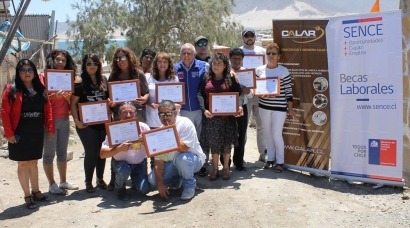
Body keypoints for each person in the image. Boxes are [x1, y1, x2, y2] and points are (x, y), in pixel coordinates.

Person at [1, 59, 54, 209]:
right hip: (20, 131)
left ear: (34, 72)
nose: (27, 73)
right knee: (23, 163)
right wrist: (9, 133)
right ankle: (27, 195)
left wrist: (50, 127)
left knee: (34, 162)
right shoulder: (11, 89)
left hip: (36, 131)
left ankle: (36, 191)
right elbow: (5, 113)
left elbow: (48, 109)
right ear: (18, 72)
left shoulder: (40, 88)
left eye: (30, 70)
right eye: (23, 70)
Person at [107, 47, 150, 191]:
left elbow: (147, 93)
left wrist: (145, 98)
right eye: (117, 59)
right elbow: (109, 98)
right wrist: (111, 102)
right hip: (120, 116)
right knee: (118, 146)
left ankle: (139, 172)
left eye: (123, 58)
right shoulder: (113, 76)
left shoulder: (139, 74)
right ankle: (115, 179)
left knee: (138, 143)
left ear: (129, 58)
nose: (120, 61)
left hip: (137, 114)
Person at [197, 52, 243, 180]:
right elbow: (200, 94)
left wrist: (239, 106)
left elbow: (239, 93)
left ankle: (226, 168)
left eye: (219, 63)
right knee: (214, 144)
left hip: (227, 117)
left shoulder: (231, 78)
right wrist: (204, 109)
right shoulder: (206, 77)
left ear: (224, 66)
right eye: (214, 63)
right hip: (211, 117)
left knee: (227, 143)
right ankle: (215, 169)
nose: (216, 65)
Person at [148, 100, 205, 200]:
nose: (165, 117)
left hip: (192, 159)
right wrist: (160, 184)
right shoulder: (160, 131)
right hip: (173, 164)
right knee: (153, 180)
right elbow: (159, 161)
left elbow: (185, 148)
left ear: (175, 113)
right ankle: (178, 180)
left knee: (181, 159)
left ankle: (190, 185)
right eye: (161, 114)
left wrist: (170, 131)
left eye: (168, 114)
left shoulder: (185, 123)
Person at [42, 49, 79, 195]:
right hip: (49, 120)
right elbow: (41, 99)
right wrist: (53, 97)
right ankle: (52, 184)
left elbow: (72, 102)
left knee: (62, 153)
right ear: (52, 60)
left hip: (64, 119)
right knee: (49, 154)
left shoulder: (69, 78)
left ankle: (63, 181)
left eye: (63, 60)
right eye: (57, 59)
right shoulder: (44, 77)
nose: (60, 62)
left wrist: (68, 97)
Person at [70, 54, 108, 193]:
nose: (92, 66)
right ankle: (88, 181)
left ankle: (100, 179)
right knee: (91, 151)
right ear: (84, 66)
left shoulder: (103, 80)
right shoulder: (79, 82)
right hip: (86, 124)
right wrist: (76, 121)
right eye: (89, 63)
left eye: (95, 64)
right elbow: (73, 103)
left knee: (102, 151)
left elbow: (107, 99)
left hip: (102, 122)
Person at [256, 42, 296, 173]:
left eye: (274, 53)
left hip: (279, 108)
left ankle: (280, 162)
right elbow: (256, 88)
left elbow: (289, 92)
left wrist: (290, 108)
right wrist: (261, 94)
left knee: (276, 133)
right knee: (267, 133)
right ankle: (270, 159)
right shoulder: (259, 70)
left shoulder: (283, 71)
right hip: (264, 106)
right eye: (269, 53)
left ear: (279, 56)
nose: (271, 55)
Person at [100, 102, 151, 201]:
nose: (128, 115)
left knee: (144, 190)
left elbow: (154, 148)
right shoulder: (113, 129)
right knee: (123, 169)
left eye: (131, 112)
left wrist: (144, 141)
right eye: (124, 112)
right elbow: (102, 154)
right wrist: (119, 148)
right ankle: (120, 187)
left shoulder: (144, 127)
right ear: (119, 115)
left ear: (135, 114)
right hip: (121, 164)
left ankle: (135, 181)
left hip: (139, 163)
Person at [174, 43, 208, 176]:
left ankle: (201, 164)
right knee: (185, 140)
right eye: (184, 53)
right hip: (182, 111)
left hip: (199, 109)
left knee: (199, 138)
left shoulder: (204, 66)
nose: (186, 55)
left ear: (195, 54)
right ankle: (186, 166)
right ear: (180, 55)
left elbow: (220, 71)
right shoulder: (175, 68)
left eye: (189, 53)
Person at [240, 28, 267, 162]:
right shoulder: (240, 52)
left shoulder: (262, 52)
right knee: (243, 125)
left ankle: (263, 153)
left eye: (251, 36)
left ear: (255, 37)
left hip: (260, 93)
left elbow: (267, 71)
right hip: (246, 94)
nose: (249, 38)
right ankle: (241, 156)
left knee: (261, 125)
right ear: (243, 38)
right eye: (247, 36)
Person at [229, 48, 251, 171]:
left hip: (243, 107)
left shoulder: (247, 73)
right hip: (226, 108)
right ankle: (225, 162)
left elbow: (251, 93)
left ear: (242, 60)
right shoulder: (225, 72)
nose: (237, 61)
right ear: (230, 59)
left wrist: (248, 92)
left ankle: (238, 161)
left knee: (241, 135)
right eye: (234, 58)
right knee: (226, 134)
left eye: (239, 59)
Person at [146, 52, 179, 129]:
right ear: (155, 63)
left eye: (165, 62)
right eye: (160, 62)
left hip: (170, 120)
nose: (162, 64)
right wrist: (150, 104)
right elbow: (144, 97)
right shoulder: (148, 78)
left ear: (169, 64)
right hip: (153, 119)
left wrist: (175, 106)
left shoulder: (174, 79)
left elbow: (178, 100)